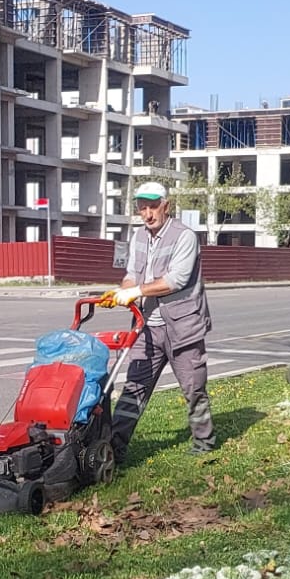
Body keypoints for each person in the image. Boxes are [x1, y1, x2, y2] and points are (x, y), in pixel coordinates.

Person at [108, 181, 216, 461]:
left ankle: (204, 443)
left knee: (194, 388)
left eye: (153, 206)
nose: (148, 213)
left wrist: (138, 290)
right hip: (148, 327)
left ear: (166, 206)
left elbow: (176, 280)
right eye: (142, 208)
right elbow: (133, 272)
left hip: (183, 326)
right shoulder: (138, 237)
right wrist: (125, 290)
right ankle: (115, 448)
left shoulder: (185, 236)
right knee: (134, 388)